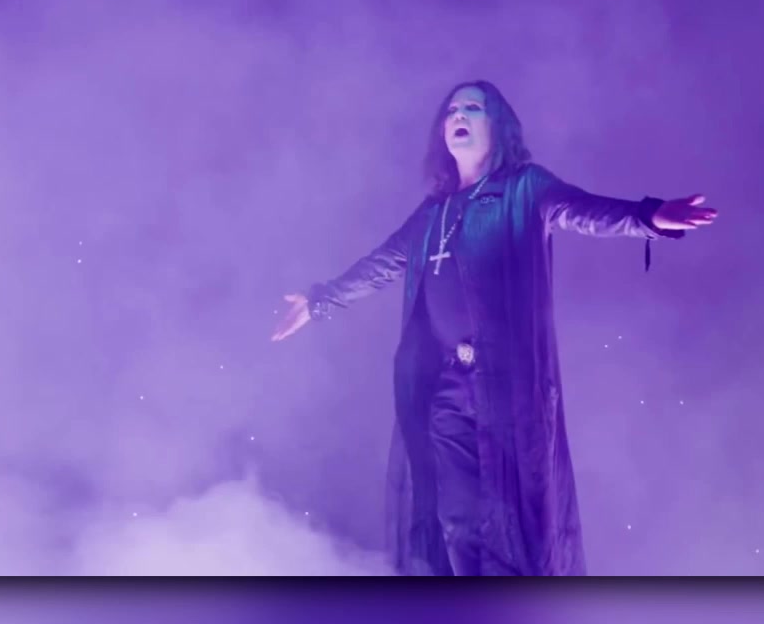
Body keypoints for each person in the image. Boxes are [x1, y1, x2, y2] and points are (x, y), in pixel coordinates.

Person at [271, 80, 717, 576]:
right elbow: (380, 265)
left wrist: (648, 216)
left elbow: (585, 211)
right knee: (456, 520)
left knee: (511, 525)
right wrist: (320, 300)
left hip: (508, 394)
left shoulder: (524, 188)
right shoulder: (432, 214)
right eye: (452, 110)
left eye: (473, 107)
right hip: (446, 390)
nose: (458, 115)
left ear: (497, 126)